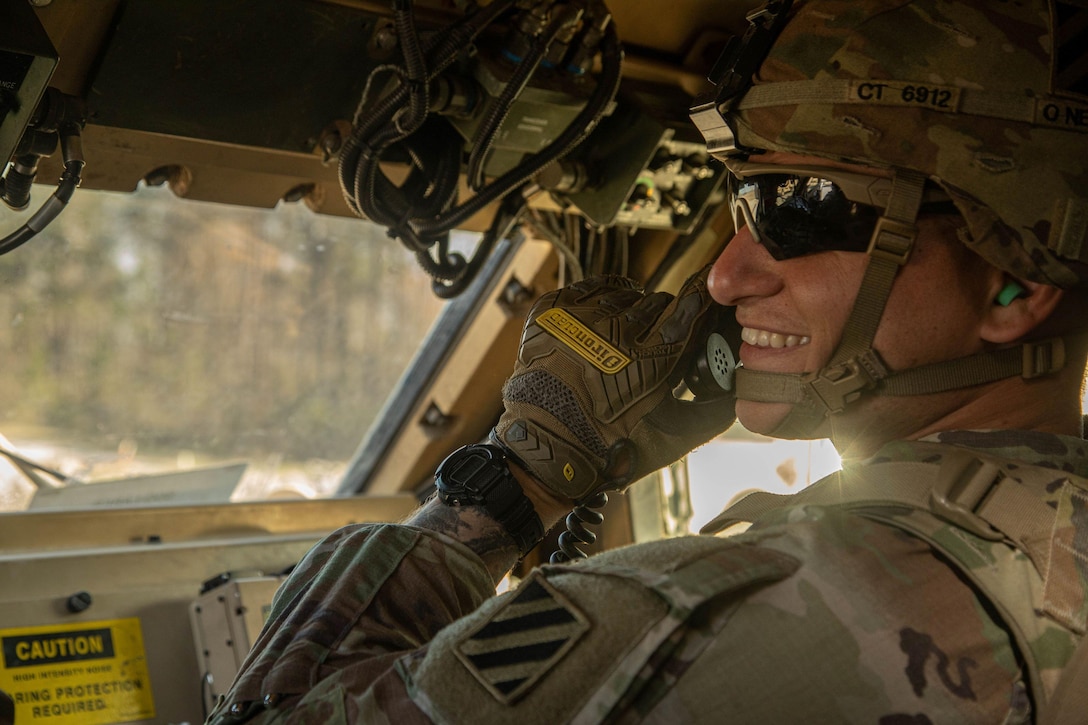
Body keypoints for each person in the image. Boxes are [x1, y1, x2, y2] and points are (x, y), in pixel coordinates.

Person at [207, 0, 1088, 721]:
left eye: (803, 208)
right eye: (740, 205)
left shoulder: (723, 607)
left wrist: (517, 480)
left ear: (1014, 282)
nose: (728, 272)